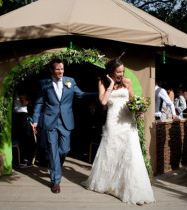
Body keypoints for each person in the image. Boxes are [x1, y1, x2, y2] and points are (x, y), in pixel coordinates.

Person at [84, 56, 155, 205]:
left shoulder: (127, 82)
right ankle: (110, 184)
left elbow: (133, 100)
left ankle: (133, 190)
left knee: (130, 154)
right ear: (111, 71)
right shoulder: (102, 82)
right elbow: (103, 101)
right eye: (118, 72)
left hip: (128, 121)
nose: (121, 74)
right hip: (112, 121)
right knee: (112, 151)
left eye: (122, 71)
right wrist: (110, 84)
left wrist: (138, 111)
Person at [32, 58, 96, 194]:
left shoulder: (70, 81)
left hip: (66, 121)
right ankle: (56, 181)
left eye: (62, 69)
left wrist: (100, 94)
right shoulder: (43, 83)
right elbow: (38, 103)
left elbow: (81, 95)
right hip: (50, 121)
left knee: (65, 150)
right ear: (51, 70)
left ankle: (58, 165)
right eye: (57, 69)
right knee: (53, 151)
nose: (60, 72)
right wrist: (36, 120)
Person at [12, 86, 36, 167]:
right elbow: (24, 102)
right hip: (21, 114)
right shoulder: (21, 88)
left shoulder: (14, 88)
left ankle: (20, 159)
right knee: (27, 137)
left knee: (21, 137)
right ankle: (26, 160)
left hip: (16, 113)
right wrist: (30, 102)